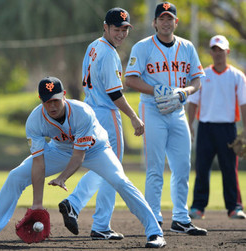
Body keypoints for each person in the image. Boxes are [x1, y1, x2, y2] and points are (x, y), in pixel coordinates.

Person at [0, 76, 166, 248]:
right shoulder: (35, 121)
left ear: (64, 96)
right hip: (58, 150)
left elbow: (79, 157)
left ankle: (155, 233)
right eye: (48, 101)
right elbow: (38, 162)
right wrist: (37, 204)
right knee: (16, 176)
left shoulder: (82, 113)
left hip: (96, 150)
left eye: (56, 100)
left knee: (120, 181)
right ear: (41, 100)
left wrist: (62, 178)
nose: (53, 105)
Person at [58, 7, 144, 240]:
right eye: (117, 28)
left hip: (90, 112)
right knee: (112, 169)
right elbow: (115, 94)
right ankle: (99, 223)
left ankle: (76, 205)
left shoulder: (93, 46)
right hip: (106, 114)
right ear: (105, 27)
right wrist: (134, 117)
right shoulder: (109, 53)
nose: (122, 33)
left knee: (105, 167)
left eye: (125, 29)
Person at [124, 2, 207, 235]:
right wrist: (156, 90)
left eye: (170, 18)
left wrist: (185, 92)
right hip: (152, 110)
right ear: (154, 22)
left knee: (182, 166)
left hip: (178, 110)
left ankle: (181, 218)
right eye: (162, 18)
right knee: (155, 168)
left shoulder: (187, 47)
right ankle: (154, 218)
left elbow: (197, 80)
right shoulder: (142, 47)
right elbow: (130, 80)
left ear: (176, 22)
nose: (166, 22)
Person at [188, 35, 246, 220]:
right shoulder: (202, 75)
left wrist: (245, 131)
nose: (218, 53)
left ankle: (234, 207)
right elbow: (193, 102)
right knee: (202, 168)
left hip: (228, 129)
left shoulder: (237, 76)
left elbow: (244, 104)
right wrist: (189, 126)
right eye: (214, 49)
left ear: (227, 51)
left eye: (221, 49)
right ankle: (198, 207)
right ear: (211, 52)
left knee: (229, 169)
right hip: (206, 127)